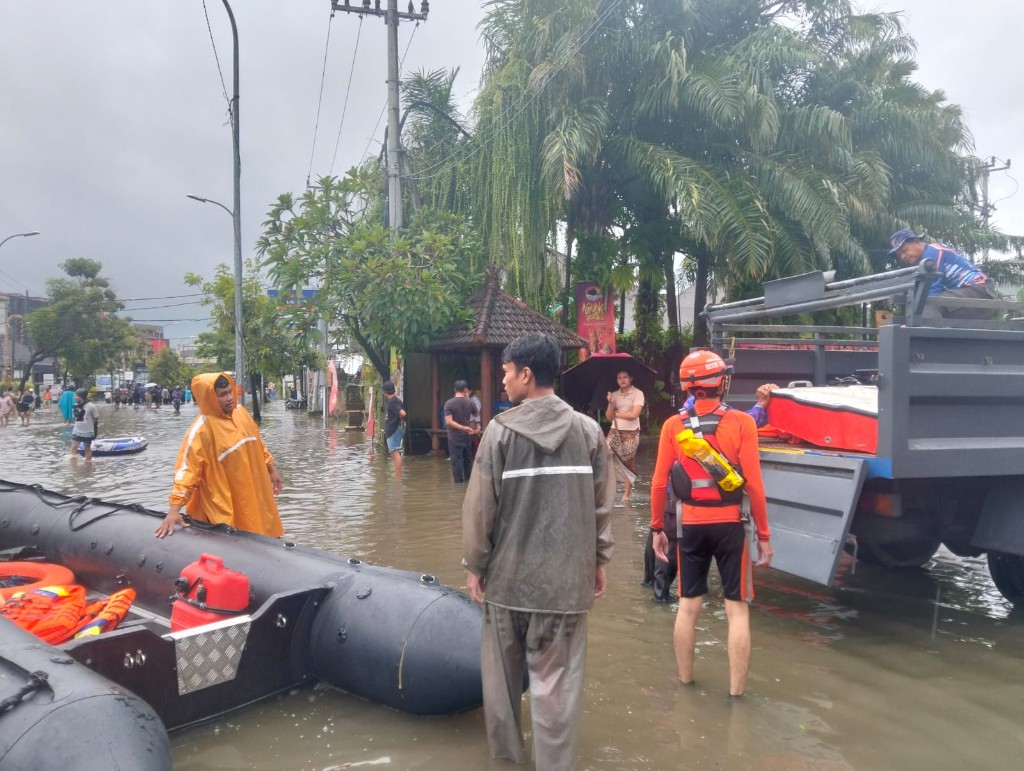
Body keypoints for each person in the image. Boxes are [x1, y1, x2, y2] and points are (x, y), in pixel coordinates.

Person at [462, 332, 615, 768]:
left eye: (507, 373)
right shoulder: (588, 431)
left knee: (501, 693)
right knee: (557, 696)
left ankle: (508, 763)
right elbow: (603, 508)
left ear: (526, 374)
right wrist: (598, 561)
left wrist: (476, 565)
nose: (504, 383)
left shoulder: (498, 433)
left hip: (508, 584)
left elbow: (479, 510)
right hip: (567, 586)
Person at [650, 349, 773, 697]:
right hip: (732, 524)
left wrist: (657, 528)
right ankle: (736, 695)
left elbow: (659, 484)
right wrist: (764, 535)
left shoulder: (673, 427)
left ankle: (685, 684)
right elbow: (754, 486)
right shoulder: (742, 422)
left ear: (689, 387)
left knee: (688, 606)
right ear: (721, 382)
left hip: (689, 526)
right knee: (737, 610)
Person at [155, 372, 284, 538]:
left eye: (230, 392)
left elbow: (258, 444)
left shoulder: (241, 413)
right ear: (209, 397)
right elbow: (187, 472)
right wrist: (174, 509)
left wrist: (271, 469)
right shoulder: (201, 431)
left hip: (254, 493)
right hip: (226, 502)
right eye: (222, 395)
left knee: (264, 528)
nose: (229, 398)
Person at [888, 228, 1000, 319]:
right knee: (925, 303)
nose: (903, 256)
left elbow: (931, 290)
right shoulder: (926, 259)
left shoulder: (932, 253)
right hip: (971, 296)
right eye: (899, 255)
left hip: (979, 291)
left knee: (929, 302)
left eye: (904, 250)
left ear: (916, 242)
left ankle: (928, 340)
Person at [605, 369, 645, 506]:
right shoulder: (614, 395)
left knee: (628, 462)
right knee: (605, 455)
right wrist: (611, 403)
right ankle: (607, 489)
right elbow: (608, 417)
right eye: (619, 378)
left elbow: (634, 414)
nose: (622, 380)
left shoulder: (638, 393)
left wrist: (617, 413)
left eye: (625, 377)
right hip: (614, 430)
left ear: (631, 378)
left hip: (631, 431)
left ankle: (627, 494)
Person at [443, 380, 477, 483]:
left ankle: (458, 485)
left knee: (456, 461)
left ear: (454, 390)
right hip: (466, 436)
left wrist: (463, 428)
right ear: (466, 390)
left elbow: (449, 422)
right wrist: (466, 428)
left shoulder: (449, 403)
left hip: (454, 437)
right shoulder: (470, 401)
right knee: (467, 460)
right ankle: (468, 484)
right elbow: (476, 413)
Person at [382, 380, 406, 478]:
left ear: (385, 391)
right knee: (396, 453)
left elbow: (403, 413)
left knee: (395, 454)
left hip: (393, 430)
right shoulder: (397, 400)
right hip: (396, 429)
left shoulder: (392, 402)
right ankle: (398, 476)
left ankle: (398, 478)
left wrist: (398, 420)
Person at [69, 388, 99, 460]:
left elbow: (96, 418)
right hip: (77, 430)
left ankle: (88, 464)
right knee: (73, 447)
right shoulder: (75, 406)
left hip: (87, 431)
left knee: (87, 448)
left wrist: (90, 425)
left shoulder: (91, 406)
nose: (74, 397)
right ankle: (73, 465)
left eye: (76, 396)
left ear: (81, 396)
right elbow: (75, 417)